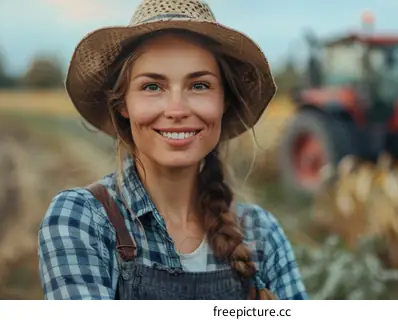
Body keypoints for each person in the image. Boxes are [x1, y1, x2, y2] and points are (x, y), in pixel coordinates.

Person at [37, 0, 308, 300]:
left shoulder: (262, 234)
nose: (177, 110)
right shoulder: (83, 220)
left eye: (199, 86)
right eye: (152, 87)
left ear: (223, 102)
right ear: (123, 103)